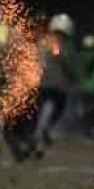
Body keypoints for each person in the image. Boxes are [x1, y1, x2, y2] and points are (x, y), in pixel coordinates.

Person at [35, 13, 77, 148]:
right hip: (58, 83)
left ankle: (42, 128)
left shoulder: (43, 42)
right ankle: (44, 127)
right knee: (57, 106)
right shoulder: (64, 45)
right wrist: (73, 76)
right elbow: (68, 62)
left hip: (40, 81)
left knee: (44, 105)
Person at [77, 35, 94, 140]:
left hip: (82, 86)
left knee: (84, 110)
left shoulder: (79, 56)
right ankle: (91, 129)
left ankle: (85, 130)